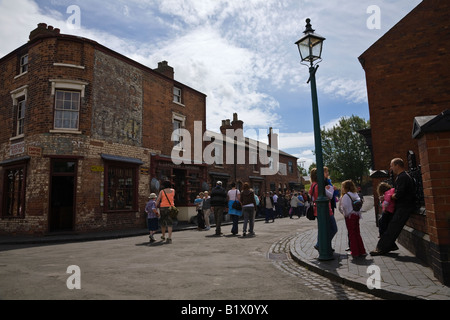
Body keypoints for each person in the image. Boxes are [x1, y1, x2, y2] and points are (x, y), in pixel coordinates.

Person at [371, 158, 416, 256]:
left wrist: (389, 196)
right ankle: (389, 246)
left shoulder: (402, 177)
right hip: (403, 206)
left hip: (404, 206)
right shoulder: (403, 176)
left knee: (392, 228)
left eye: (392, 165)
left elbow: (399, 194)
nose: (391, 168)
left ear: (397, 165)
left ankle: (381, 249)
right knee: (391, 226)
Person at [309, 168, 336, 251]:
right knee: (333, 229)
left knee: (322, 229)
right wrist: (329, 189)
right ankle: (322, 244)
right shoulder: (318, 185)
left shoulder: (313, 185)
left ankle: (321, 244)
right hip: (326, 210)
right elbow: (330, 196)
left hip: (317, 210)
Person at [339, 180, 366, 258]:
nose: (342, 188)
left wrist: (345, 214)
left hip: (350, 216)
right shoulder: (355, 194)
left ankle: (355, 252)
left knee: (352, 234)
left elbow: (344, 207)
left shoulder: (346, 196)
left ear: (345, 187)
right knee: (357, 233)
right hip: (357, 215)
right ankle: (362, 250)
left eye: (343, 187)